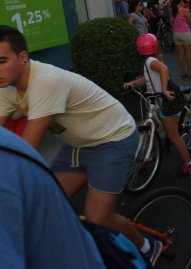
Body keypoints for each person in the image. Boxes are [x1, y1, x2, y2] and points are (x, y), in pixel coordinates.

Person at [0, 26, 162, 265]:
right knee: (47, 205)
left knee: (99, 218)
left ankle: (148, 247)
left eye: (2, 60)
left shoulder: (45, 82)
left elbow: (27, 152)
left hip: (113, 138)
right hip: (78, 143)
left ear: (23, 57)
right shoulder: (6, 86)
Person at [0, 128, 106, 268]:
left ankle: (144, 246)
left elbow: (34, 133)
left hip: (109, 140)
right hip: (78, 143)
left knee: (99, 218)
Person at [123, 34, 191, 175]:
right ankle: (150, 156)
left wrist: (163, 90)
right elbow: (146, 80)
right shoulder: (150, 61)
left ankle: (190, 163)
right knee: (153, 125)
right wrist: (132, 83)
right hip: (156, 101)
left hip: (165, 101)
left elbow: (164, 69)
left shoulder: (150, 61)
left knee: (173, 136)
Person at [171, 0, 191, 79]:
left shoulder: (173, 11)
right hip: (185, 33)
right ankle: (190, 72)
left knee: (180, 54)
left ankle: (183, 72)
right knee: (188, 54)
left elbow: (172, 23)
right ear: (181, 1)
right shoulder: (185, 10)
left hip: (176, 34)